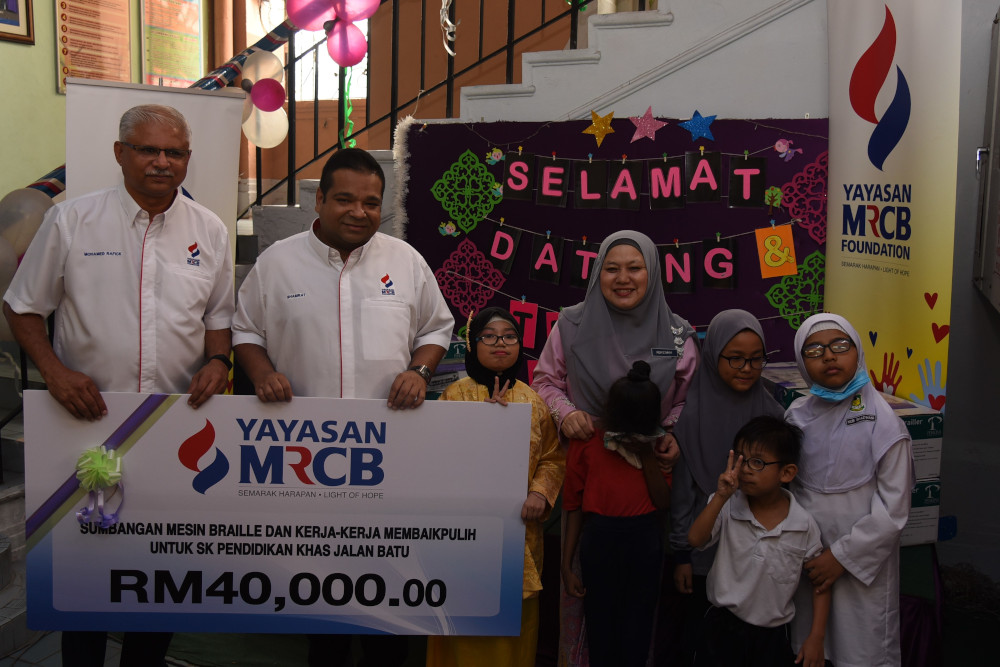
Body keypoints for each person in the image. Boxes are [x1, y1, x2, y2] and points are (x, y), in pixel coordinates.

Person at [3, 104, 234, 665]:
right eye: (148, 150)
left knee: (161, 575)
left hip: (172, 430)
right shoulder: (72, 220)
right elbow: (22, 306)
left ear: (187, 159)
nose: (162, 162)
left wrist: (218, 361)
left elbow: (219, 318)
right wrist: (54, 373)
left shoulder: (209, 229)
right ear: (120, 153)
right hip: (85, 424)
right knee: (85, 574)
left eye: (174, 152)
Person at [232, 147, 454, 666]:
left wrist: (419, 372)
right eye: (346, 200)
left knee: (389, 606)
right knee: (322, 610)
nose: (359, 212)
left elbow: (436, 328)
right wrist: (261, 374)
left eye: (371, 203)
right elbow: (245, 331)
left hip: (387, 463)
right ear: (320, 201)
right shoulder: (277, 263)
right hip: (305, 466)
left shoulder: (405, 261)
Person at [532, 229, 697, 666]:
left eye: (635, 268)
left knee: (638, 605)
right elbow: (545, 381)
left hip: (650, 479)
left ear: (652, 272)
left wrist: (672, 433)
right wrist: (566, 413)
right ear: (597, 274)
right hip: (588, 475)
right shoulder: (571, 324)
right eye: (612, 269)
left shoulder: (678, 334)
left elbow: (689, 400)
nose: (623, 278)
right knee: (584, 593)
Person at [425, 307, 565, 667]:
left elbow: (552, 458)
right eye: (489, 336)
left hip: (519, 535)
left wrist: (539, 493)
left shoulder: (534, 401)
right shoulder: (454, 397)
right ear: (473, 344)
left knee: (512, 629)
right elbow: (434, 457)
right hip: (463, 538)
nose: (500, 343)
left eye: (509, 336)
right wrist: (483, 427)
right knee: (464, 626)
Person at [785, 313, 913, 667]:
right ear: (801, 361)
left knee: (861, 652)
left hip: (861, 566)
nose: (829, 356)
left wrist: (841, 557)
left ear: (857, 351)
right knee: (809, 647)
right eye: (814, 350)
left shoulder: (884, 424)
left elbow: (894, 510)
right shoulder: (796, 417)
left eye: (840, 346)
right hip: (809, 560)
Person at [669, 309, 785, 664]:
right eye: (735, 358)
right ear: (713, 356)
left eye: (756, 359)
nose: (747, 368)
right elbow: (682, 497)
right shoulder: (689, 417)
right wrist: (681, 556)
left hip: (759, 563)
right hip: (702, 561)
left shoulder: (773, 417)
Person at [688, 416, 829, 667]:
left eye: (757, 462)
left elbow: (821, 581)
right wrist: (720, 497)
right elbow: (696, 539)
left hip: (771, 637)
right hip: (722, 628)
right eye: (741, 459)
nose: (745, 469)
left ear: (786, 473)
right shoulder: (727, 505)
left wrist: (816, 637)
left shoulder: (802, 524)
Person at [561, 360, 672, 667]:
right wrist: (567, 566)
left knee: (637, 627)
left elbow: (663, 502)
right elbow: (573, 506)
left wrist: (646, 453)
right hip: (600, 539)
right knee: (600, 627)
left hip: (644, 539)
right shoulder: (588, 443)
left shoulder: (658, 445)